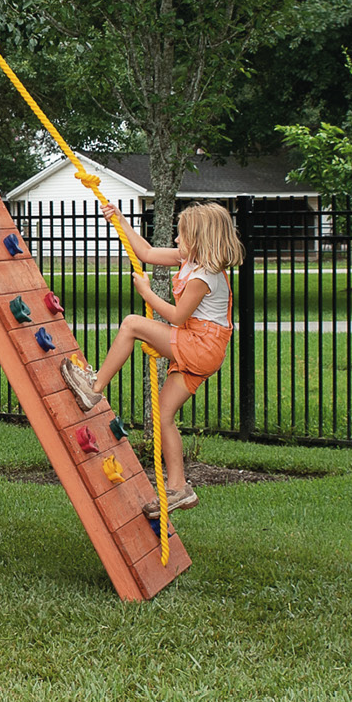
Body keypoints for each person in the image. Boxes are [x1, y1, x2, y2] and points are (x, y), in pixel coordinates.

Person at [61, 201, 245, 515]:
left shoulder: (204, 276)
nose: (176, 240)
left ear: (199, 239)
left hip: (201, 344)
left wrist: (146, 292)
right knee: (164, 416)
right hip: (202, 346)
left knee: (132, 324)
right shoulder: (189, 259)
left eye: (182, 235)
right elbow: (146, 252)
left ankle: (94, 388)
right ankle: (179, 487)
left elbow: (177, 316)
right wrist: (120, 220)